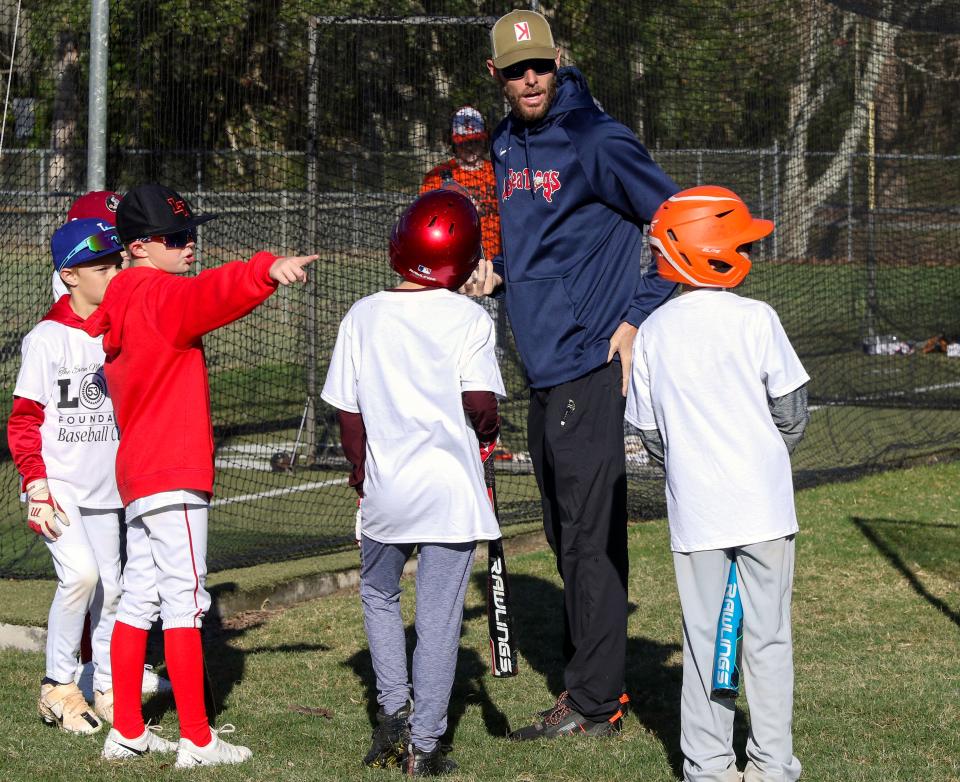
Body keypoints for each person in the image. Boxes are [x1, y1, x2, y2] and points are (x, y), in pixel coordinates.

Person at [463, 8, 679, 738]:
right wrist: (499, 277)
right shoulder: (503, 142)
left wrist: (635, 317)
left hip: (591, 361)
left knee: (587, 537)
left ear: (560, 62)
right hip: (542, 366)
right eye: (518, 70)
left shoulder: (597, 139)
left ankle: (594, 702)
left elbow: (682, 223)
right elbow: (537, 244)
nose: (531, 80)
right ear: (495, 76)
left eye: (542, 66)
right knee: (565, 532)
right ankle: (593, 674)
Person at [82, 183, 317, 767]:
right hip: (171, 467)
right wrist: (266, 269)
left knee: (139, 599)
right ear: (138, 245)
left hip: (139, 470)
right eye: (177, 237)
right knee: (185, 600)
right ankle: (198, 739)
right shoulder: (157, 293)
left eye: (192, 234)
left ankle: (128, 731)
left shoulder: (125, 295)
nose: (190, 246)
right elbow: (210, 295)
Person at [625, 186, 808, 782]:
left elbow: (647, 437)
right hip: (765, 511)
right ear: (717, 250)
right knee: (768, 640)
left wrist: (695, 463)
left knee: (705, 640)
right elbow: (792, 413)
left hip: (697, 515)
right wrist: (755, 456)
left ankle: (707, 766)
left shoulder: (652, 331)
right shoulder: (758, 319)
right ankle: (772, 765)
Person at [321, 189, 505, 776]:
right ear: (466, 256)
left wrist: (360, 475)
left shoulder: (362, 313)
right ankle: (425, 746)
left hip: (387, 489)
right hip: (450, 490)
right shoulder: (470, 317)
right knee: (440, 618)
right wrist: (487, 433)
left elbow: (350, 418)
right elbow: (479, 402)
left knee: (378, 593)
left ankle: (392, 711)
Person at [8, 219, 126, 735]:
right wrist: (36, 486)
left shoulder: (119, 329)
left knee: (115, 590)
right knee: (80, 576)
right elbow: (23, 420)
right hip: (59, 489)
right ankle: (57, 686)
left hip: (109, 487)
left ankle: (106, 686)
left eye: (117, 263)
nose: (114, 274)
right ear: (70, 275)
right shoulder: (45, 339)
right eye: (102, 268)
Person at [59, 189, 172, 708]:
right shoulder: (67, 310)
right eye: (106, 254)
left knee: (114, 579)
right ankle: (74, 676)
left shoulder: (119, 287)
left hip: (110, 465)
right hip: (68, 474)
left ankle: (110, 675)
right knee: (86, 578)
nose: (118, 256)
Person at [420, 106, 501, 262]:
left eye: (475, 141)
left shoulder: (497, 172)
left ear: (485, 139)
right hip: (456, 259)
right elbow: (426, 221)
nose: (470, 147)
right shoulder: (437, 177)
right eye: (464, 143)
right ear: (452, 142)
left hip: (496, 261)